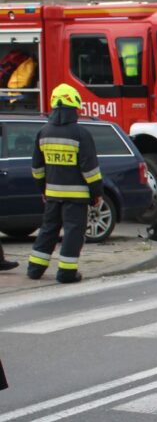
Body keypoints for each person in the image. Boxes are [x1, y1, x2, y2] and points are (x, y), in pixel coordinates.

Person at [27, 84, 103, 283]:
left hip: (52, 195)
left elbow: (37, 168)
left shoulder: (43, 132)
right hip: (76, 198)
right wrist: (96, 193)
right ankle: (66, 272)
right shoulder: (81, 134)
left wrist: (43, 189)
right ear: (74, 106)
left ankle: (35, 269)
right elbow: (91, 171)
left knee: (48, 230)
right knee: (73, 232)